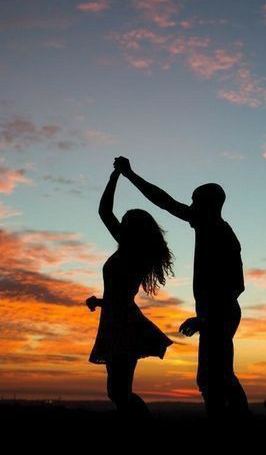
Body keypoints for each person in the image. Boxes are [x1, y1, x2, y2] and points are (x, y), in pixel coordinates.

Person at [115, 156, 249, 420]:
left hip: (220, 315)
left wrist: (205, 319)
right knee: (217, 377)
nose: (189, 206)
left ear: (208, 205)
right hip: (217, 315)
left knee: (214, 379)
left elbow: (235, 285)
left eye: (195, 201)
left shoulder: (221, 234)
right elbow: (165, 202)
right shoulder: (211, 228)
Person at [86, 161, 174, 418]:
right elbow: (120, 294)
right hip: (116, 318)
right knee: (118, 391)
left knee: (119, 391)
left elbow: (104, 212)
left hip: (123, 322)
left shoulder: (135, 253)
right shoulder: (128, 251)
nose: (120, 225)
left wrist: (116, 176)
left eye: (125, 221)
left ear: (134, 230)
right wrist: (100, 302)